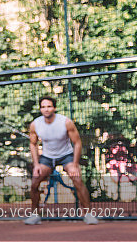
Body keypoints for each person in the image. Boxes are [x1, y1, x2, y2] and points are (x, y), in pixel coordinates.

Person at [24, 95, 98, 225]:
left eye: (49, 106)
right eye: (43, 107)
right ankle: (35, 215)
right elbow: (33, 144)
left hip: (66, 155)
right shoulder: (35, 124)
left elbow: (78, 143)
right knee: (35, 183)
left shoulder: (65, 122)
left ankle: (88, 214)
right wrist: (36, 165)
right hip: (47, 157)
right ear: (40, 109)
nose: (46, 109)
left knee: (77, 179)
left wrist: (75, 164)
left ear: (54, 108)